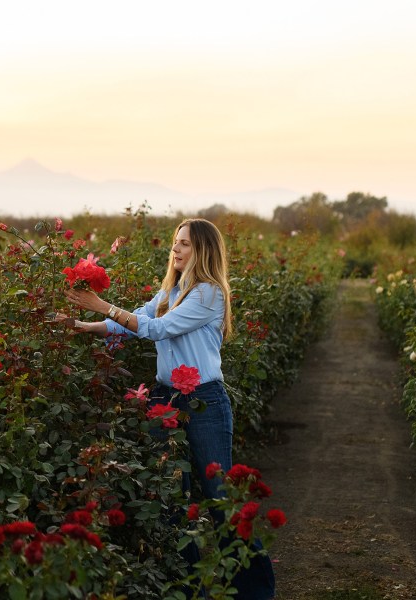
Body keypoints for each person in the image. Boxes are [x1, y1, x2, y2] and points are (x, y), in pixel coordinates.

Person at [55, 217, 276, 598]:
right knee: (170, 495)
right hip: (166, 397)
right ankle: (190, 586)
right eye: (175, 242)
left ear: (203, 250)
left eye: (185, 243)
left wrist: (101, 304)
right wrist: (81, 323)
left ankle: (255, 591)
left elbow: (157, 330)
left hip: (204, 400)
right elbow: (137, 322)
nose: (175, 248)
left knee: (220, 497)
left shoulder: (208, 294)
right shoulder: (170, 291)